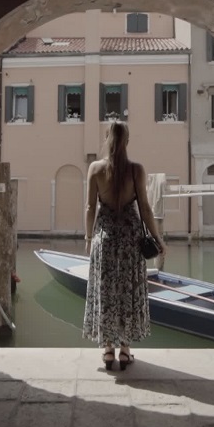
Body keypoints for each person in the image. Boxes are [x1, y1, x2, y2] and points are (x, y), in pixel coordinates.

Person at [82, 121, 166, 371]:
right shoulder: (136, 170)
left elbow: (89, 208)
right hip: (130, 240)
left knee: (107, 293)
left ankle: (107, 349)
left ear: (107, 139)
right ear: (127, 141)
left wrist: (88, 238)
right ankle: (125, 350)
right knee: (128, 293)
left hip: (104, 239)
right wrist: (158, 240)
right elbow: (146, 209)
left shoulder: (95, 169)